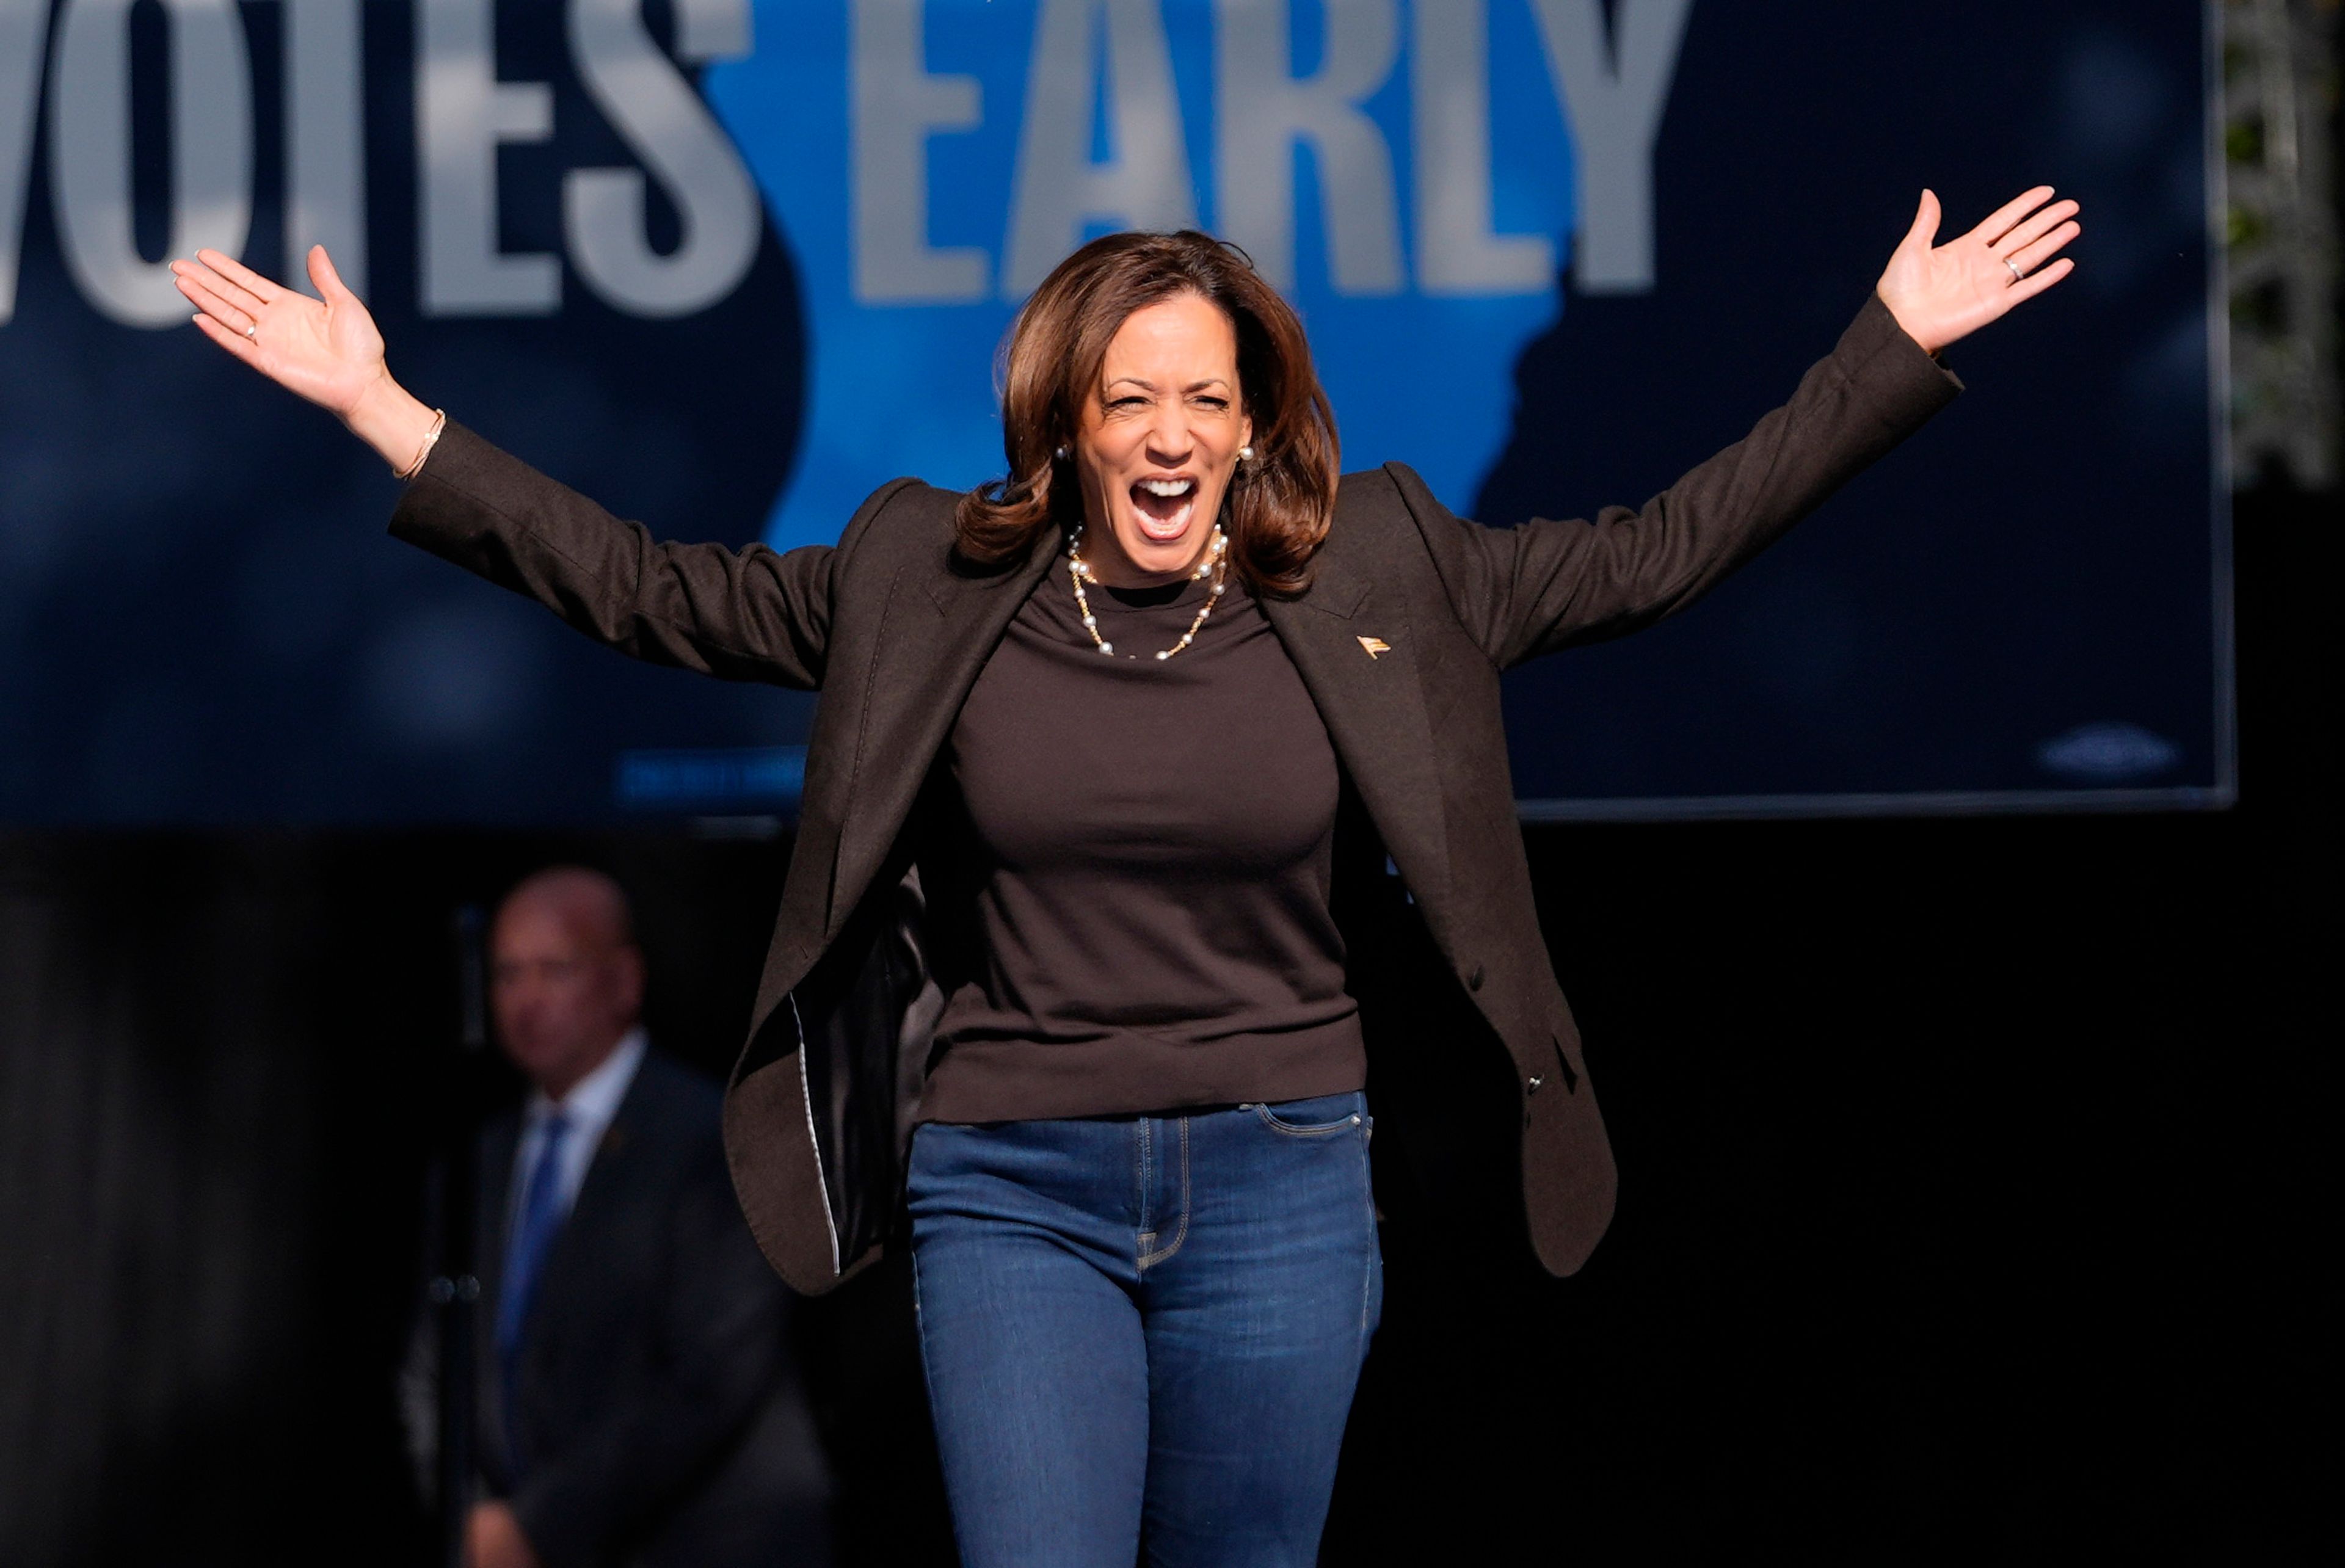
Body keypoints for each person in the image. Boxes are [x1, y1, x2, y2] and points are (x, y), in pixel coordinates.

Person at [178, 185, 2078, 1566]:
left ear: (1254, 420)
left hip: (1282, 1185)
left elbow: (1657, 550)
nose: (1166, 434)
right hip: (1015, 1187)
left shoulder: (1381, 573)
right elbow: (651, 588)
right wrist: (384, 409)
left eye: (1203, 397)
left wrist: (1881, 354)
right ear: (1069, 423)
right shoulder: (932, 576)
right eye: (1126, 399)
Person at [415, 866, 826, 1568]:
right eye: (508, 974)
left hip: (706, 1544)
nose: (527, 999)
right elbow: (431, 1364)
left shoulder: (713, 1138)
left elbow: (710, 1376)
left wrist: (538, 1524)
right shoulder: (477, 1159)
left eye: (556, 970)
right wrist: (473, 1516)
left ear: (624, 981)